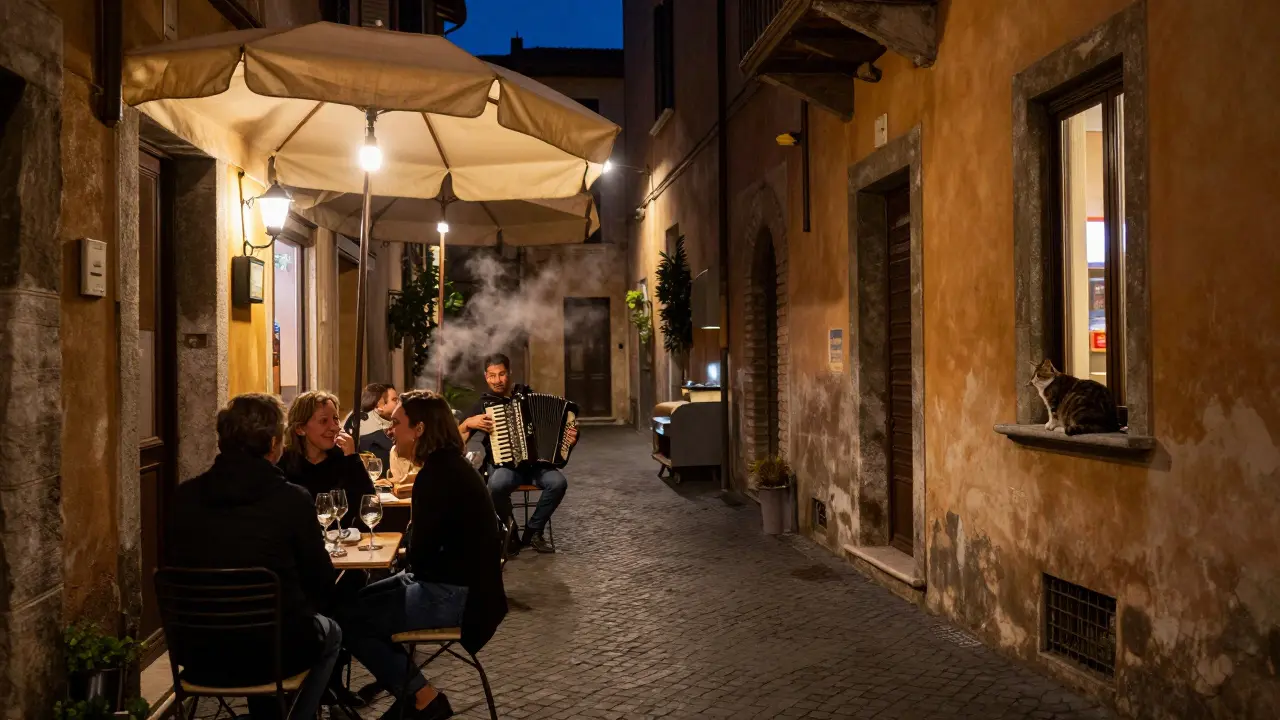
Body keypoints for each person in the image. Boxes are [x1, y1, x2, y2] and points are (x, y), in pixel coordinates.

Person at [165, 394, 340, 720]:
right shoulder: (291, 500)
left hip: (198, 652)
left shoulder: (183, 497)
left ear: (223, 439)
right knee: (331, 632)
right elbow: (322, 582)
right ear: (274, 444)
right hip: (273, 653)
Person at [338, 392, 508, 720]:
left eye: (396, 424)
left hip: (457, 596)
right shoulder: (445, 466)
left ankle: (421, 698)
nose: (390, 431)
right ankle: (405, 689)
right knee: (353, 602)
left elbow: (421, 556)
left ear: (419, 429)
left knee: (349, 619)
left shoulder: (437, 474)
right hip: (457, 585)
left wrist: (404, 556)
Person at [459, 353, 577, 554]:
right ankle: (509, 531)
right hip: (504, 467)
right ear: (486, 377)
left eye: (502, 374)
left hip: (536, 465)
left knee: (558, 483)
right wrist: (468, 423)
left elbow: (555, 433)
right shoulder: (482, 405)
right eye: (492, 376)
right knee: (496, 484)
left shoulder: (527, 396)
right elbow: (457, 441)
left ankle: (533, 532)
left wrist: (568, 440)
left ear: (509, 373)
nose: (497, 380)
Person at [279, 390, 375, 530]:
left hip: (342, 545)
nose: (334, 427)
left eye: (335, 419)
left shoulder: (343, 458)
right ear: (300, 428)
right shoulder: (284, 463)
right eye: (324, 421)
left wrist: (353, 458)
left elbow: (368, 504)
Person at [342, 382, 398, 472]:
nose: (399, 403)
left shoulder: (387, 421)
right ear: (379, 405)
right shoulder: (363, 422)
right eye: (395, 400)